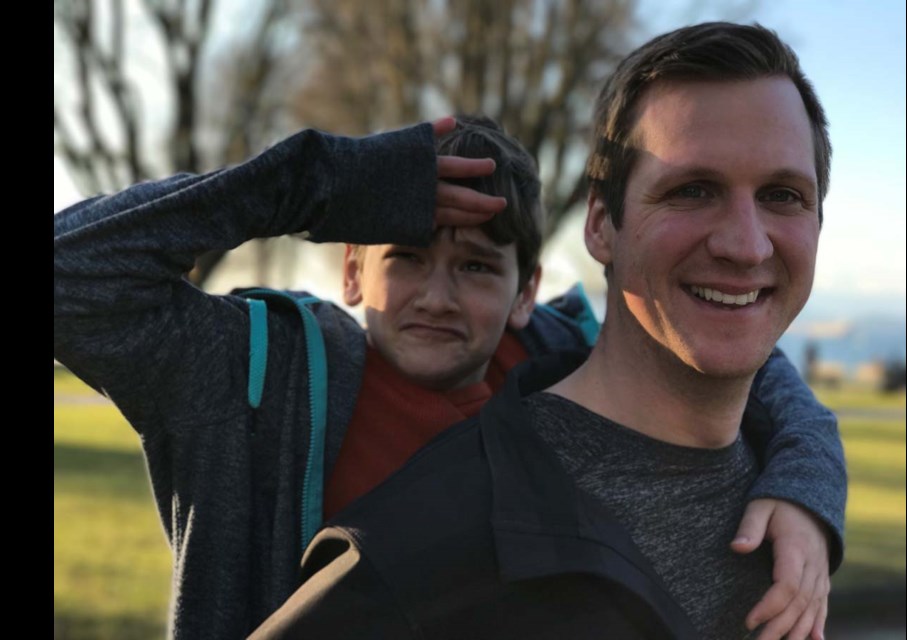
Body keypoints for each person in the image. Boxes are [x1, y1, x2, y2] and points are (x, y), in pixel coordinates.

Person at [54, 113, 841, 639]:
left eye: (474, 266)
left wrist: (805, 485)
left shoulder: (569, 360)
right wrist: (314, 182)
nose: (436, 296)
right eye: (406, 258)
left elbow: (752, 358)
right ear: (354, 271)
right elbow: (70, 274)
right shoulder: (252, 375)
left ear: (526, 291)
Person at [250, 23, 845, 640]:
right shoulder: (419, 552)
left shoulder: (793, 515)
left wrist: (813, 489)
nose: (746, 246)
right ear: (599, 225)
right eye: (692, 190)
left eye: (782, 195)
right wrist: (318, 179)